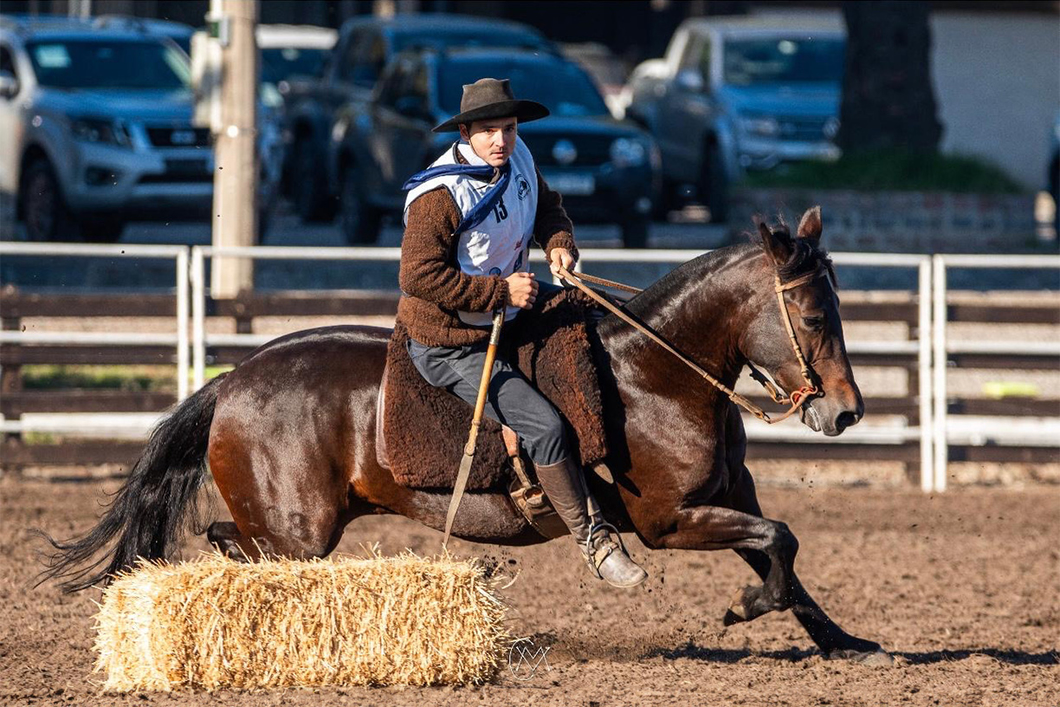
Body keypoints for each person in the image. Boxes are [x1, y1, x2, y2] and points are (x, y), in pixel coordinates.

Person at [396, 78, 647, 588]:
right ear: (466, 132)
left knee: (612, 334)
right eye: (488, 131)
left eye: (508, 129)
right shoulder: (439, 195)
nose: (500, 141)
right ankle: (593, 540)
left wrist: (558, 243)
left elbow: (548, 206)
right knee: (545, 427)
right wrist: (497, 294)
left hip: (515, 308)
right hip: (452, 341)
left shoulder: (521, 157)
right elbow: (416, 276)